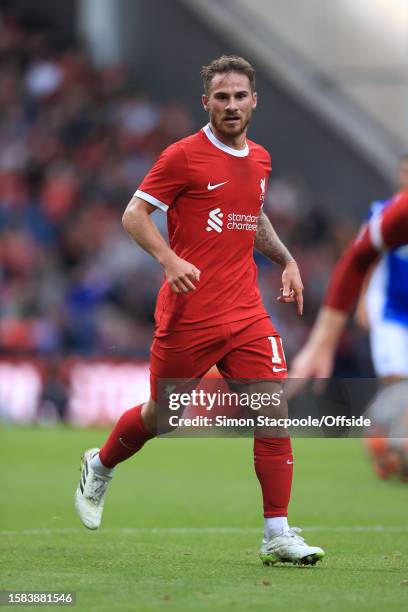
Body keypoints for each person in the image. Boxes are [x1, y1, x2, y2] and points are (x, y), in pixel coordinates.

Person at [75, 55, 324, 566]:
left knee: (270, 408)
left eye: (239, 96)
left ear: (254, 101)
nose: (231, 105)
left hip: (246, 312)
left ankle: (276, 532)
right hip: (190, 316)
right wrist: (168, 260)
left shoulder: (259, 159)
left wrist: (288, 260)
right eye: (221, 97)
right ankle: (99, 465)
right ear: (206, 102)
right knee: (163, 417)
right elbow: (133, 214)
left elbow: (252, 218)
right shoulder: (183, 156)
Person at [290, 188, 408, 476]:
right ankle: (388, 438)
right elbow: (360, 256)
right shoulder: (392, 211)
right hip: (394, 311)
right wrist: (322, 343)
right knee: (398, 382)